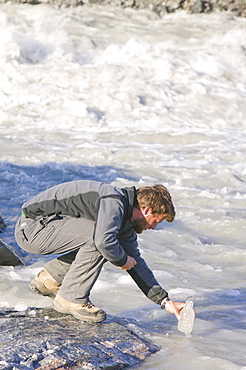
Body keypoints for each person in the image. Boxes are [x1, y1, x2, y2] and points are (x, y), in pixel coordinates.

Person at [15, 180, 184, 323]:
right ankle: (71, 298)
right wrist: (122, 260)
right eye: (156, 221)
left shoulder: (125, 220)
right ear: (147, 210)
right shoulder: (113, 201)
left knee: (108, 240)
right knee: (104, 240)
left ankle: (50, 279)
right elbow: (104, 241)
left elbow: (135, 261)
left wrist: (164, 300)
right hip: (32, 228)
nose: (153, 227)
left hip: (46, 228)